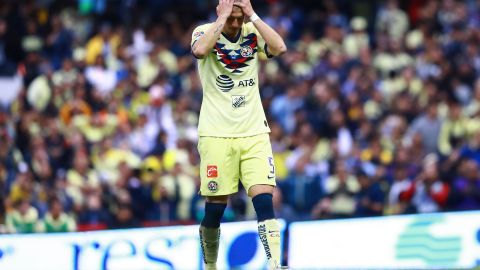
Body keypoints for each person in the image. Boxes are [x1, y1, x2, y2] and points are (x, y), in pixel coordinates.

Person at [190, 0, 287, 269]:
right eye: (231, 17)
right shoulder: (204, 31)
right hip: (216, 133)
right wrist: (221, 19)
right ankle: (210, 266)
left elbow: (279, 47)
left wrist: (252, 15)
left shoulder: (252, 32)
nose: (236, 23)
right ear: (219, 13)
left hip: (254, 130)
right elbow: (199, 51)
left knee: (264, 200)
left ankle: (276, 264)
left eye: (239, 17)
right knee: (215, 208)